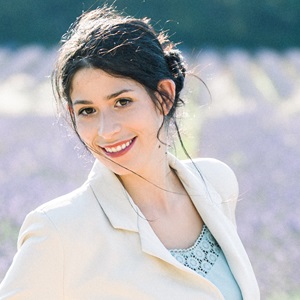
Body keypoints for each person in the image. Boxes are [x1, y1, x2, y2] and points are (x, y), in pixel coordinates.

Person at [0, 5, 259, 300]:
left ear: (164, 96)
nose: (105, 130)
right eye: (87, 111)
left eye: (122, 102)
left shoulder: (216, 184)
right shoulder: (58, 230)